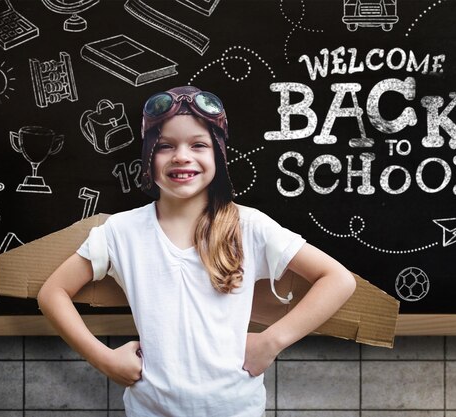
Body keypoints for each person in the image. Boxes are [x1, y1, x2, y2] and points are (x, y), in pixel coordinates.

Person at [37, 85, 357, 417]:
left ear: (218, 153)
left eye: (198, 144)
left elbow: (337, 279)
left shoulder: (250, 227)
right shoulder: (122, 232)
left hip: (237, 410)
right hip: (151, 410)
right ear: (148, 155)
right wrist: (104, 360)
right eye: (165, 146)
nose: (182, 156)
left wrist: (272, 341)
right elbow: (53, 292)